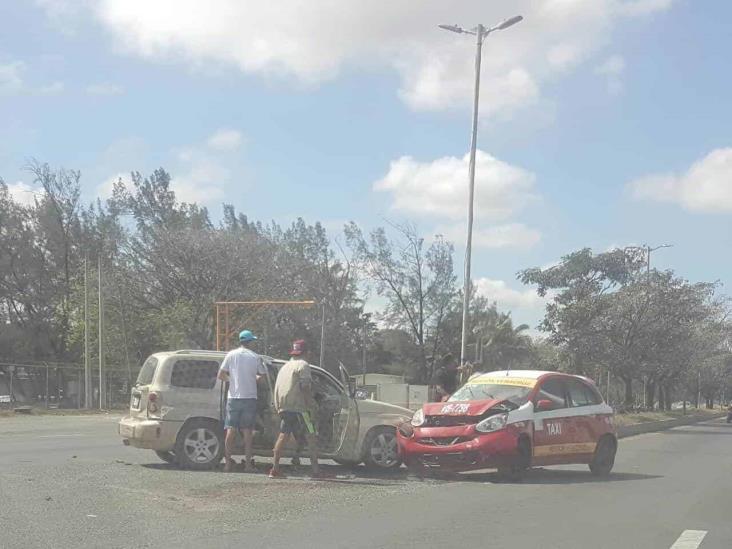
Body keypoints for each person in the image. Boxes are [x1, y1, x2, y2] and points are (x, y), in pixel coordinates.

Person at [269, 339, 325, 479]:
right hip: (300, 408)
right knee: (311, 435)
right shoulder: (303, 365)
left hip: (284, 407)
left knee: (283, 435)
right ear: (307, 352)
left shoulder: (285, 366)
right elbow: (305, 388)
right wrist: (312, 406)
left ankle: (274, 469)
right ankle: (316, 471)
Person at [217, 329, 266, 473]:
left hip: (233, 398)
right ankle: (248, 466)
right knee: (247, 432)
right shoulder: (255, 357)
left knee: (230, 431)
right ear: (250, 342)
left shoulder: (231, 355)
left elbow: (221, 375)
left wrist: (232, 380)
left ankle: (227, 464)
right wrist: (253, 379)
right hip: (250, 397)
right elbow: (262, 377)